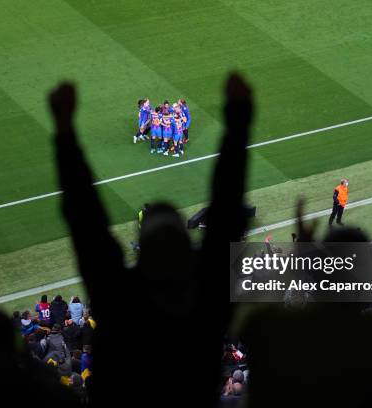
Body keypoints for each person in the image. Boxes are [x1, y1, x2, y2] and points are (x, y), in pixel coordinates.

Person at [48, 72, 253, 407]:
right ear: (187, 246)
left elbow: (86, 223)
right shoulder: (206, 297)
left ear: (142, 242)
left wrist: (64, 132)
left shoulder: (119, 296)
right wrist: (239, 121)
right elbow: (227, 216)